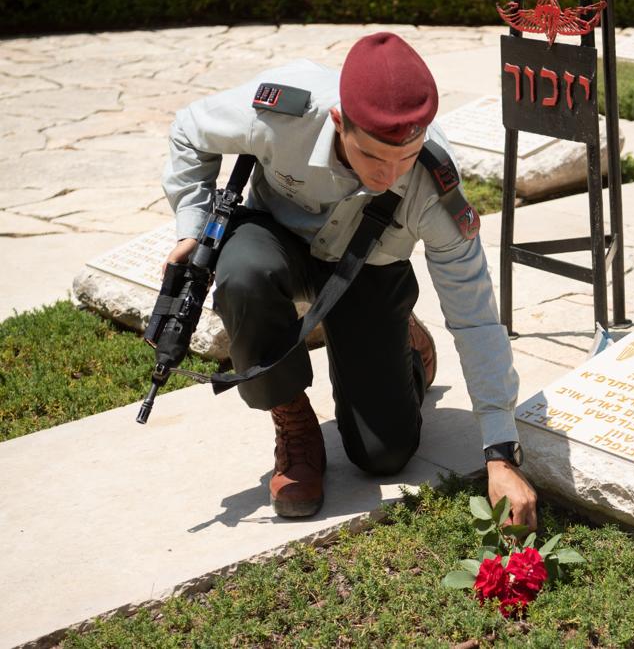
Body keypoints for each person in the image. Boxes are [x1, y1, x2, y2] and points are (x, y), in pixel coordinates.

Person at [161, 32, 536, 528]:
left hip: (369, 271)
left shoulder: (434, 185)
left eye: (406, 157)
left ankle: (401, 336)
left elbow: (476, 318)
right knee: (242, 273)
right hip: (278, 243)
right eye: (374, 156)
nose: (390, 173)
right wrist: (192, 224)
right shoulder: (283, 113)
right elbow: (189, 130)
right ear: (340, 122)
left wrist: (500, 452)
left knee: (383, 455)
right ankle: (292, 421)